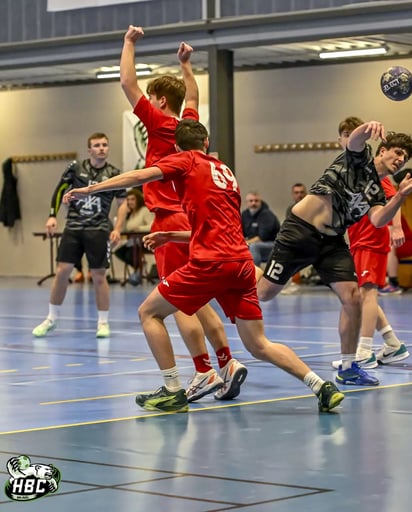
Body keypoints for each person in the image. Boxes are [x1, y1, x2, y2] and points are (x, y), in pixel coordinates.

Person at [63, 120, 344, 414]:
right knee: (259, 344)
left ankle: (173, 389)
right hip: (241, 263)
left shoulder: (185, 160)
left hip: (210, 262)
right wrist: (171, 235)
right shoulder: (225, 172)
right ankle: (321, 386)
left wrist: (91, 189)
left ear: (176, 147)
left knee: (149, 312)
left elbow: (139, 176)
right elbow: (219, 226)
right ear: (206, 142)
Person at [120, 25, 246, 402]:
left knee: (176, 305)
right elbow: (192, 95)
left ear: (159, 101)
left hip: (169, 222)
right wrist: (187, 65)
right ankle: (226, 363)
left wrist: (129, 43)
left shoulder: (158, 123)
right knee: (199, 300)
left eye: (151, 98)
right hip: (193, 225)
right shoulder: (187, 126)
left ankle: (203, 371)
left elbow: (127, 83)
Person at [257, 116, 412, 386]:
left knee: (353, 297)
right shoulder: (359, 160)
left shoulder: (379, 191)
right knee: (264, 294)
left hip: (332, 241)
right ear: (382, 150)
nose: (400, 160)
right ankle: (245, 266)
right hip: (300, 231)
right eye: (397, 152)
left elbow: (378, 220)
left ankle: (348, 368)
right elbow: (355, 140)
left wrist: (400, 197)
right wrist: (368, 127)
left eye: (405, 158)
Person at [332, 122, 411, 369]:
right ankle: (392, 344)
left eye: (404, 156)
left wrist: (396, 227)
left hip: (371, 239)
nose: (400, 159)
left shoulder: (377, 173)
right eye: (345, 135)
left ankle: (364, 351)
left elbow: (393, 197)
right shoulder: (356, 171)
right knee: (363, 294)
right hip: (357, 239)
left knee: (367, 293)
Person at [32, 133, 125, 339]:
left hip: (98, 229)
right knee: (62, 271)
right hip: (74, 227)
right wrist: (52, 216)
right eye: (96, 145)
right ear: (89, 150)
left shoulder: (114, 173)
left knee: (99, 275)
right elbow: (60, 190)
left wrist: (117, 228)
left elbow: (123, 203)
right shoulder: (76, 168)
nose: (101, 148)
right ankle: (51, 318)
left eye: (104, 145)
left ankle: (103, 322)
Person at [380, 168, 412, 295]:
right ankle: (380, 281)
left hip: (405, 242)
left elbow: (391, 233)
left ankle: (393, 283)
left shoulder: (389, 209)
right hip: (393, 241)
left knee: (389, 245)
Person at [113, 188, 154, 285]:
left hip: (144, 241)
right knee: (119, 252)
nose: (130, 202)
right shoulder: (131, 214)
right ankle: (139, 268)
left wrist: (139, 228)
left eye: (132, 199)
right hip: (132, 241)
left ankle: (139, 269)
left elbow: (152, 225)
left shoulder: (144, 210)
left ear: (138, 200)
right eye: (128, 200)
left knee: (130, 252)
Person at [241, 191, 280, 265]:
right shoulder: (245, 214)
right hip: (252, 242)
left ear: (260, 202)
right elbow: (241, 233)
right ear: (246, 203)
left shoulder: (267, 214)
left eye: (256, 201)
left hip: (272, 244)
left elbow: (262, 237)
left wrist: (246, 243)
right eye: (251, 201)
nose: (253, 203)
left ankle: (255, 270)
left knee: (254, 246)